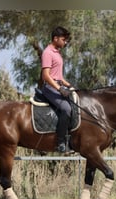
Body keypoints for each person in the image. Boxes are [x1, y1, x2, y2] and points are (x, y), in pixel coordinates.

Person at [41, 26, 74, 154]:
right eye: (63, 39)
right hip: (50, 87)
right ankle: (60, 143)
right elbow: (46, 75)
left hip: (58, 85)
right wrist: (60, 88)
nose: (65, 42)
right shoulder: (47, 52)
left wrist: (69, 85)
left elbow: (58, 76)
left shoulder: (57, 52)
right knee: (66, 109)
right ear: (55, 38)